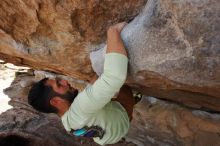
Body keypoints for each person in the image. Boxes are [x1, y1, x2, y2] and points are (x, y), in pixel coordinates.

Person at [28, 22, 136, 145]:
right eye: (59, 84)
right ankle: (134, 97)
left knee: (98, 89)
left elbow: (85, 102)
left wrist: (93, 84)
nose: (65, 81)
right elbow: (114, 77)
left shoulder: (67, 121)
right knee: (125, 88)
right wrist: (113, 32)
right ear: (56, 101)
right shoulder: (80, 107)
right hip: (121, 121)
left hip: (107, 138)